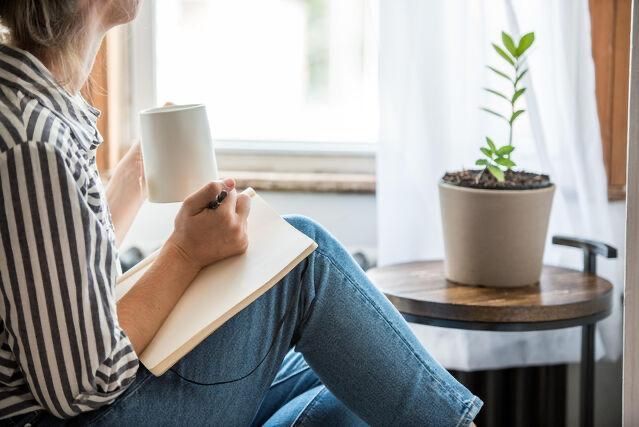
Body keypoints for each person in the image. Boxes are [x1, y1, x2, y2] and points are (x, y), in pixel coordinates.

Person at [0, 1, 482, 425]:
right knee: (303, 259)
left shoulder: (27, 108)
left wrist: (127, 188)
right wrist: (185, 253)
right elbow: (84, 381)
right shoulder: (32, 142)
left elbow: (58, 292)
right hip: (81, 416)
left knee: (356, 372)